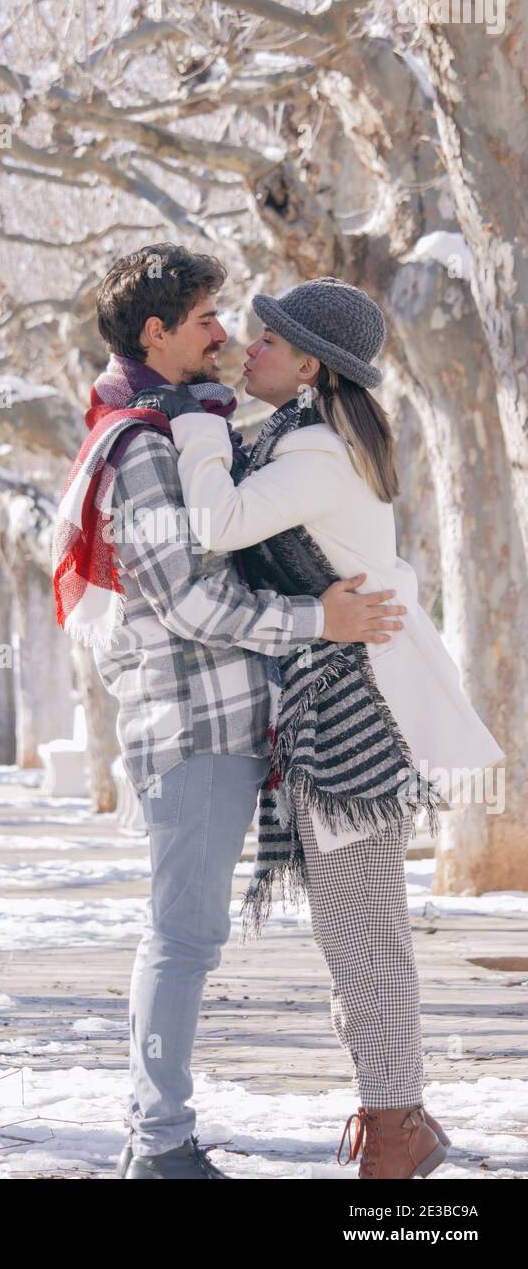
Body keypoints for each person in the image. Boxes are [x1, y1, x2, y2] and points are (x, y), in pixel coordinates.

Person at [127, 275, 505, 1179]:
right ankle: (395, 1118)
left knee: (364, 929)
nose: (244, 349)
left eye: (263, 341)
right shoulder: (299, 437)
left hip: (350, 715)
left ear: (306, 367)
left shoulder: (320, 452)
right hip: (327, 700)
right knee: (353, 930)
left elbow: (216, 522)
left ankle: (396, 1129)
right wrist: (209, 410)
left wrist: (190, 418)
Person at [51, 246, 409, 1180]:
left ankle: (180, 1134)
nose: (225, 334)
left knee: (225, 934)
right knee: (182, 935)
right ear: (156, 334)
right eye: (208, 318)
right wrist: (316, 619)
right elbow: (184, 601)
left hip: (242, 719)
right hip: (193, 724)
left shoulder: (191, 426)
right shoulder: (140, 447)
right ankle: (159, 1144)